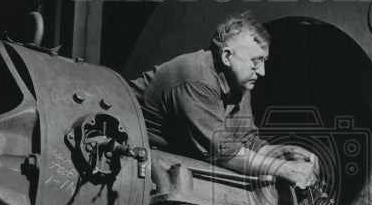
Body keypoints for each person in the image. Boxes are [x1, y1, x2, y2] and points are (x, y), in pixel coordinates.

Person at [128, 12, 318, 188]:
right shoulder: (196, 78)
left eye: (264, 61)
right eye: (255, 61)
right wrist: (284, 169)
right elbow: (223, 154)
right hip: (127, 153)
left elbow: (246, 142)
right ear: (227, 56)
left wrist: (284, 152)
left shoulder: (239, 84)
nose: (262, 72)